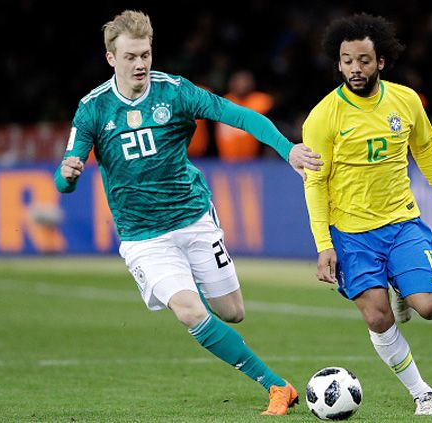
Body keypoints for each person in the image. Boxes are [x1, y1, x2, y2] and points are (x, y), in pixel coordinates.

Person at [54, 10, 323, 416]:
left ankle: (222, 313)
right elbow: (65, 180)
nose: (141, 64)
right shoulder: (92, 108)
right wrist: (67, 175)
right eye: (130, 57)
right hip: (144, 236)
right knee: (189, 311)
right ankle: (276, 386)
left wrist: (287, 150)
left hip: (194, 217)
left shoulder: (175, 91)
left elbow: (240, 115)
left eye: (145, 54)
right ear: (111, 59)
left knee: (232, 312)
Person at [302, 13, 432, 416]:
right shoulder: (324, 116)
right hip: (351, 233)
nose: (354, 69)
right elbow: (314, 183)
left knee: (431, 307)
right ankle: (422, 392)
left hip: (401, 223)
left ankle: (401, 285)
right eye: (346, 61)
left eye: (363, 60)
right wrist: (324, 244)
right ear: (337, 63)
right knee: (378, 317)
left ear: (381, 61)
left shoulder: (406, 101)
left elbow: (426, 151)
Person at [216, 70, 275, 161]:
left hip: (255, 160)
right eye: (238, 81)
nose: (242, 85)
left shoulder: (261, 102)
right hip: (226, 161)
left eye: (245, 81)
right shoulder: (223, 103)